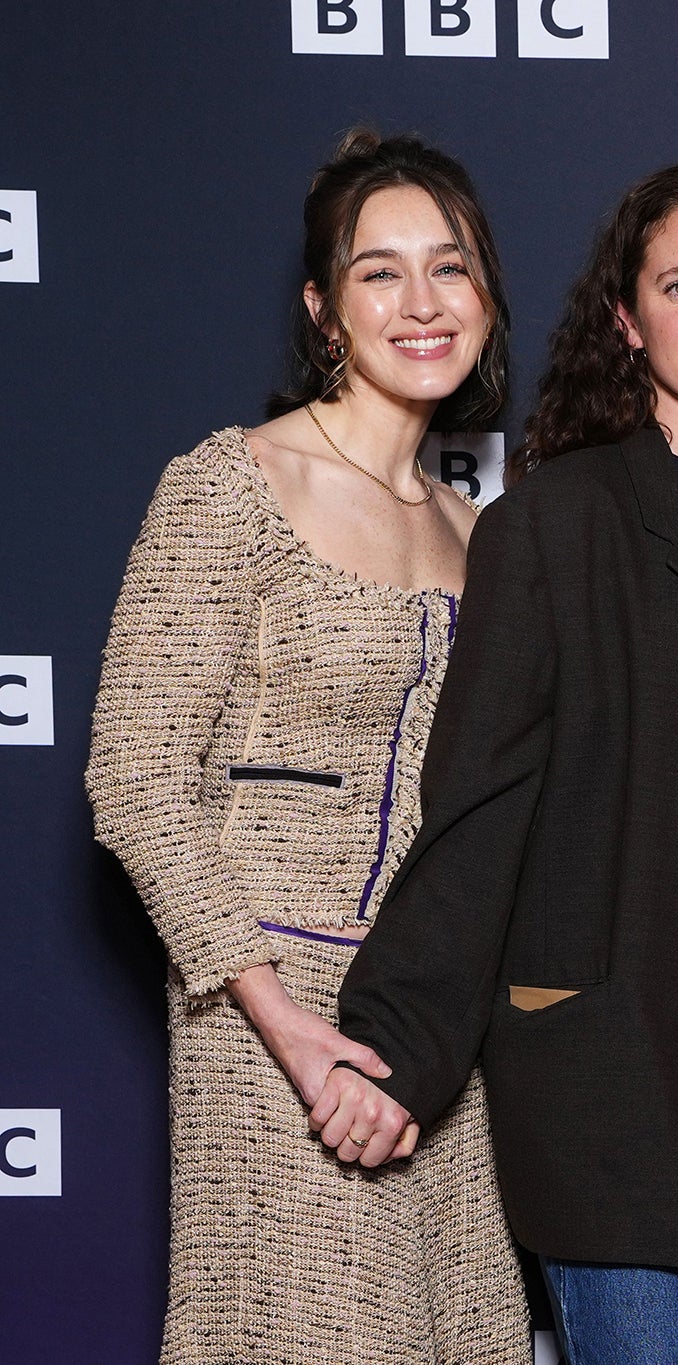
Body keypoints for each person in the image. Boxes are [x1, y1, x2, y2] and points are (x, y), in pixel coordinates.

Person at [325, 162, 678, 1365]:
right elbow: (479, 799)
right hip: (625, 1015)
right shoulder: (555, 521)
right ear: (627, 321)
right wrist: (403, 1038)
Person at [84, 130, 527, 1363]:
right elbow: (135, 779)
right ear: (323, 308)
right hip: (272, 1028)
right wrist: (288, 1032)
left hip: (436, 1036)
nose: (422, 303)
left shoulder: (476, 530)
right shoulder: (231, 486)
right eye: (380, 272)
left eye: (450, 267)